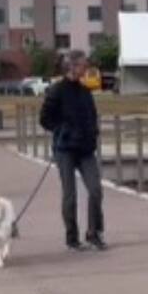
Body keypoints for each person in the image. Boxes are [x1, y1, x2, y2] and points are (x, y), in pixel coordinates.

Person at [39, 50, 105, 251]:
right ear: (73, 67)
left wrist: (94, 132)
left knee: (95, 190)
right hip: (65, 149)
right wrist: (61, 129)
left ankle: (94, 233)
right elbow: (44, 119)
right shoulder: (56, 90)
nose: (86, 69)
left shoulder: (85, 92)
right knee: (70, 195)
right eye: (84, 66)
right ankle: (72, 238)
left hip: (85, 149)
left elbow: (92, 116)